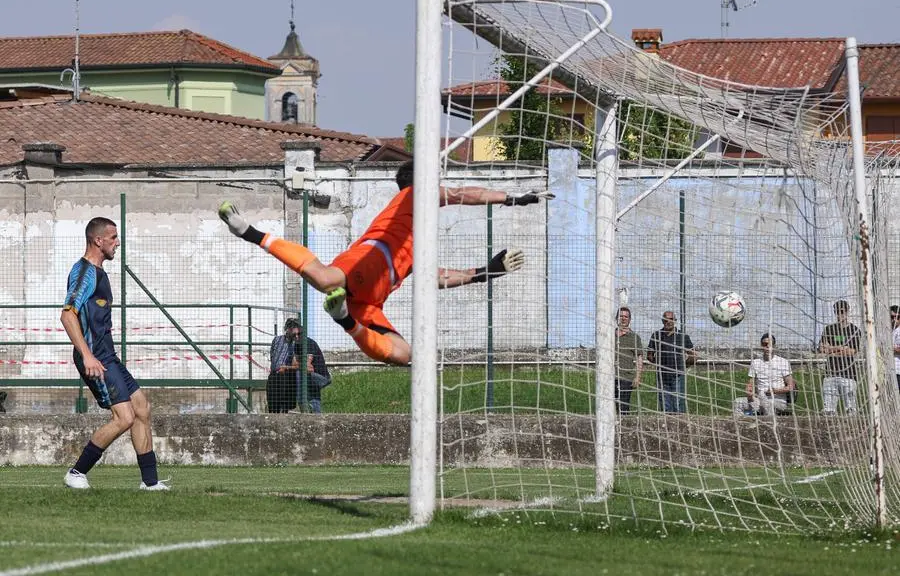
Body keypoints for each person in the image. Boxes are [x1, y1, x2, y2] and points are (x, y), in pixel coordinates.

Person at [218, 160, 552, 366]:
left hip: (370, 301)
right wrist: (512, 198)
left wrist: (485, 272)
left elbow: (435, 278)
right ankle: (251, 233)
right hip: (371, 260)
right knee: (326, 279)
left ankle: (345, 319)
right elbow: (465, 193)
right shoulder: (412, 195)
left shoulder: (416, 240)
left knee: (403, 354)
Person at [59, 217, 168, 490]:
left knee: (142, 407)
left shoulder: (100, 273)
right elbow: (67, 315)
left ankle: (151, 483)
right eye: (113, 238)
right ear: (98, 240)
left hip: (108, 356)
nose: (117, 243)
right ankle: (76, 472)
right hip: (94, 356)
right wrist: (87, 355)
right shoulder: (84, 273)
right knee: (125, 417)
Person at [267, 317, 331, 413]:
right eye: (294, 335)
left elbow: (307, 368)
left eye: (299, 334)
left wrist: (285, 367)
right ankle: (306, 412)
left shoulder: (308, 343)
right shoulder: (294, 344)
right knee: (304, 395)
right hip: (306, 376)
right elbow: (294, 363)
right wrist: (290, 366)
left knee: (310, 395)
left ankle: (313, 415)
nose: (296, 337)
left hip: (320, 377)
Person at [733, 333, 796, 416]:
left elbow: (791, 386)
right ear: (761, 346)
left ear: (774, 346)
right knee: (738, 402)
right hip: (760, 400)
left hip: (777, 401)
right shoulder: (755, 363)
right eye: (764, 344)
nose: (767, 347)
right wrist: (749, 393)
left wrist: (774, 391)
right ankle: (741, 427)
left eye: (769, 344)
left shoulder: (783, 362)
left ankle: (769, 427)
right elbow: (750, 384)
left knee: (767, 403)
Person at [646, 310, 696, 413]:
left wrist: (684, 364)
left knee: (678, 405)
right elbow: (650, 355)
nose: (668, 322)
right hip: (662, 376)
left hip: (677, 375)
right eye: (665, 319)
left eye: (671, 319)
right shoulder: (657, 335)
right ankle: (666, 428)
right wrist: (659, 364)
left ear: (675, 321)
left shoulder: (682, 335)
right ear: (662, 321)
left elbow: (694, 355)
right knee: (665, 406)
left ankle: (680, 426)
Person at [818, 299, 861, 415]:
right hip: (830, 373)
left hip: (848, 374)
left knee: (850, 410)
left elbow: (852, 351)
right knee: (828, 410)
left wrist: (831, 349)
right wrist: (841, 347)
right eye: (837, 311)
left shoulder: (854, 330)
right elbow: (822, 349)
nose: (839, 314)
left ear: (847, 311)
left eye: (842, 311)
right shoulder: (829, 329)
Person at [614, 306, 643, 415]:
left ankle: (624, 428)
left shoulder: (634, 337)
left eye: (626, 317)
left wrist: (638, 376)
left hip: (626, 377)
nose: (623, 318)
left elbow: (639, 357)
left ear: (629, 319)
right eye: (621, 316)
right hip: (610, 377)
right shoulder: (609, 335)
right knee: (609, 407)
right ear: (616, 318)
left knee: (623, 407)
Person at [891, 305, 900, 391]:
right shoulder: (891, 330)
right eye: (892, 317)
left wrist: (890, 348)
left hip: (898, 369)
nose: (894, 319)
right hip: (890, 368)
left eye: (897, 317)